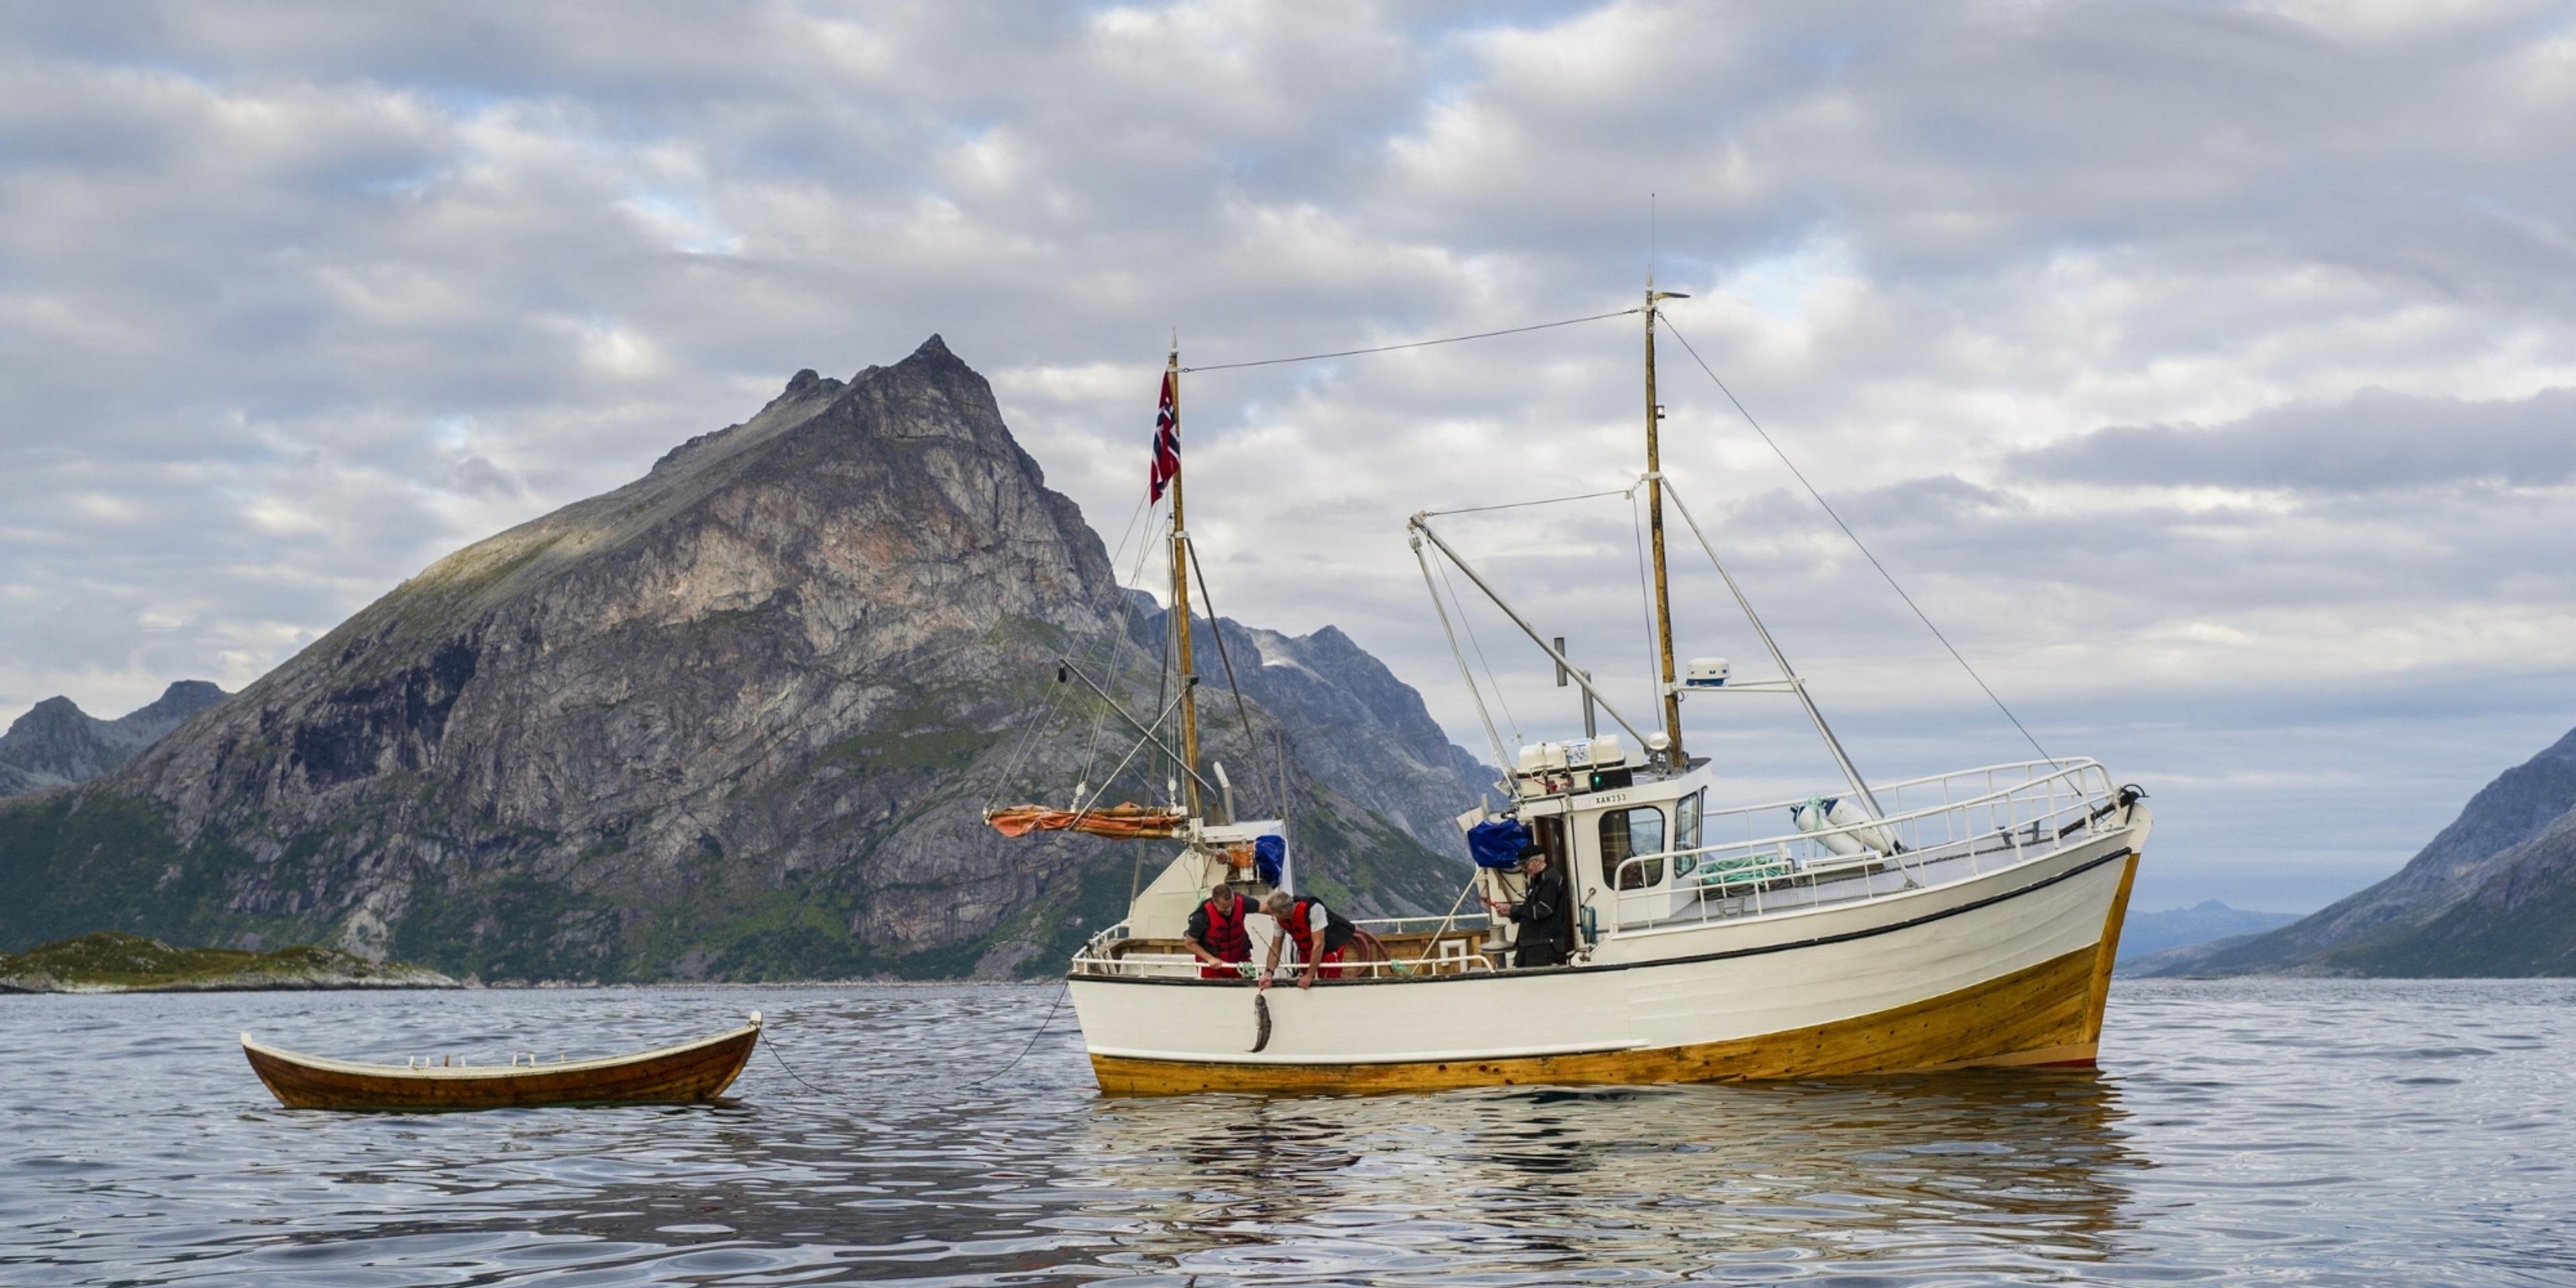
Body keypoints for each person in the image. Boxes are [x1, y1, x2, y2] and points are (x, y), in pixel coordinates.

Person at [1483, 844, 1571, 968]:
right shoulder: (1537, 881)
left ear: (1536, 861)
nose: (1524, 869)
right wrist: (1511, 912)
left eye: (1525, 865)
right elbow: (1529, 911)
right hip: (1531, 946)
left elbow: (1542, 910)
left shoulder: (1550, 879)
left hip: (1542, 947)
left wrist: (1513, 909)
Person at [1259, 890, 1360, 989]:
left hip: (1328, 949)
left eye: (1274, 914)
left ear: (1284, 913)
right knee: (1306, 983)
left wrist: (1309, 975)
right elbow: (1276, 947)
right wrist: (1269, 973)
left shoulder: (1313, 909)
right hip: (1306, 953)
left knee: (1329, 983)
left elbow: (1319, 944)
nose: (1272, 917)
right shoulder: (1279, 920)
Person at [1184, 879, 1259, 980]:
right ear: (1214, 902)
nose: (1229, 910)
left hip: (1240, 963)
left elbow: (1267, 908)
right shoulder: (1201, 917)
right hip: (1213, 966)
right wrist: (1210, 959)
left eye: (1231, 905)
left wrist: (1277, 915)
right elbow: (1189, 943)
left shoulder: (1242, 902)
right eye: (1224, 907)